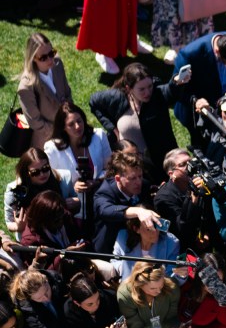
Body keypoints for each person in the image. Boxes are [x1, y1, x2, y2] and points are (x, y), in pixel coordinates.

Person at [90, 63, 181, 185]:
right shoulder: (117, 97)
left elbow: (169, 91)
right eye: (141, 89)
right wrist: (113, 128)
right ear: (128, 88)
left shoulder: (157, 94)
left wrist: (176, 82)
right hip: (130, 161)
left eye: (150, 86)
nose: (147, 92)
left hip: (160, 158)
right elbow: (94, 102)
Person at [45, 102, 113, 231]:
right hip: (74, 204)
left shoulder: (98, 136)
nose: (77, 126)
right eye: (71, 124)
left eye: (79, 121)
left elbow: (110, 168)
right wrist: (72, 188)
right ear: (63, 127)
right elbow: (52, 181)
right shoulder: (52, 148)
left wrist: (97, 181)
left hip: (99, 194)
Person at [172, 30, 226, 134]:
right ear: (217, 51)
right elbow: (177, 89)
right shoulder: (189, 55)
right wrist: (196, 101)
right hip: (199, 114)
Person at [93, 152, 163, 254]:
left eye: (140, 176)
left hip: (140, 245)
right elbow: (105, 210)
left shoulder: (144, 185)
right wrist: (138, 211)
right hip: (110, 249)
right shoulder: (105, 192)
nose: (138, 182)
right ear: (118, 179)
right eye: (132, 178)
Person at [17, 32, 72, 151]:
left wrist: (70, 118)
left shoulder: (57, 64)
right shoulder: (26, 87)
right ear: (33, 59)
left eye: (51, 53)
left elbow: (67, 93)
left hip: (67, 130)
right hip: (46, 141)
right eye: (43, 57)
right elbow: (36, 122)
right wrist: (59, 130)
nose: (50, 59)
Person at [4, 149, 73, 239]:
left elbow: (76, 207)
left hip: (63, 232)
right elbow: (9, 222)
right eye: (35, 172)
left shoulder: (64, 178)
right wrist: (18, 227)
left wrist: (76, 203)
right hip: (33, 238)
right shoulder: (15, 190)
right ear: (26, 173)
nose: (42, 174)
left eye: (45, 168)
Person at [179, 253, 226, 328]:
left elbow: (225, 323)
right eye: (210, 279)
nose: (214, 285)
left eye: (219, 280)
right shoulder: (185, 284)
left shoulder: (222, 296)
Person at [111, 215, 182, 282]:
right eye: (149, 229)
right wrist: (129, 270)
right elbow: (115, 262)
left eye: (156, 226)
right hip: (129, 284)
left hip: (157, 288)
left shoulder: (171, 242)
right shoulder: (123, 236)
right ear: (136, 229)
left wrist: (181, 275)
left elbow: (171, 276)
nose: (155, 232)